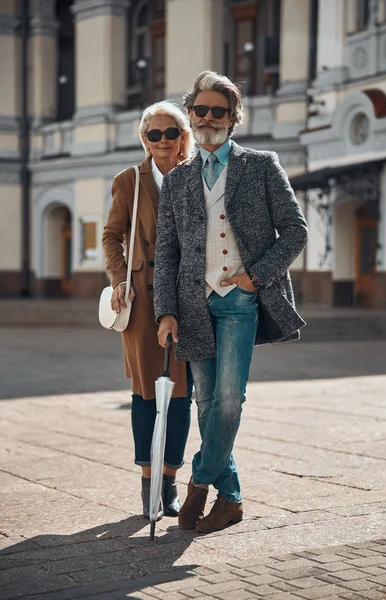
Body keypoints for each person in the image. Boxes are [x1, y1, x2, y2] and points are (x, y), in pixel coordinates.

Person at [154, 71, 309, 533]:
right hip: (192, 303)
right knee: (205, 403)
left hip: (240, 299)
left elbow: (296, 230)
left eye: (217, 111)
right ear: (191, 114)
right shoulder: (178, 180)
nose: (206, 118)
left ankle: (199, 483)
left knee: (229, 400)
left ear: (233, 117)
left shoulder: (261, 165)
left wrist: (255, 276)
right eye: (199, 110)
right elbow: (167, 252)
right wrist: (165, 310)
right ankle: (232, 499)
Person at [102, 101, 195, 521]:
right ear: (145, 139)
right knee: (144, 392)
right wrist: (119, 278)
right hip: (140, 297)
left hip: (192, 296)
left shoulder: (198, 176)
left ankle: (170, 480)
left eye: (170, 133)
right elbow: (111, 234)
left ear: (183, 138)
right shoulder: (128, 181)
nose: (161, 141)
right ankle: (147, 484)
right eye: (153, 135)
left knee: (180, 393)